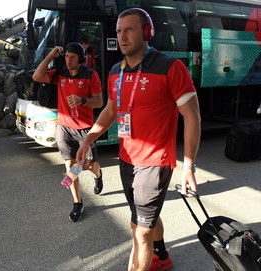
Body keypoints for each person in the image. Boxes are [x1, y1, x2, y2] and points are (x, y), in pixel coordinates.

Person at [76, 8, 201, 271]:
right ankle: (162, 257)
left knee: (139, 230)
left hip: (155, 163)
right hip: (127, 159)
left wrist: (188, 167)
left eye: (129, 30)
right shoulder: (114, 71)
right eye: (119, 31)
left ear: (147, 32)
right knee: (145, 217)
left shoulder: (170, 67)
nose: (122, 36)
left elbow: (192, 117)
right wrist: (88, 139)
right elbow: (111, 110)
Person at [32, 42, 104, 222]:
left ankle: (98, 174)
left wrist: (82, 101)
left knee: (89, 165)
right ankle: (77, 202)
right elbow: (37, 75)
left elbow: (100, 102)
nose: (68, 60)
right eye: (66, 56)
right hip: (63, 127)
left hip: (84, 129)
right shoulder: (60, 74)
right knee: (70, 165)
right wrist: (51, 55)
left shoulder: (90, 75)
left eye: (72, 57)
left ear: (80, 59)